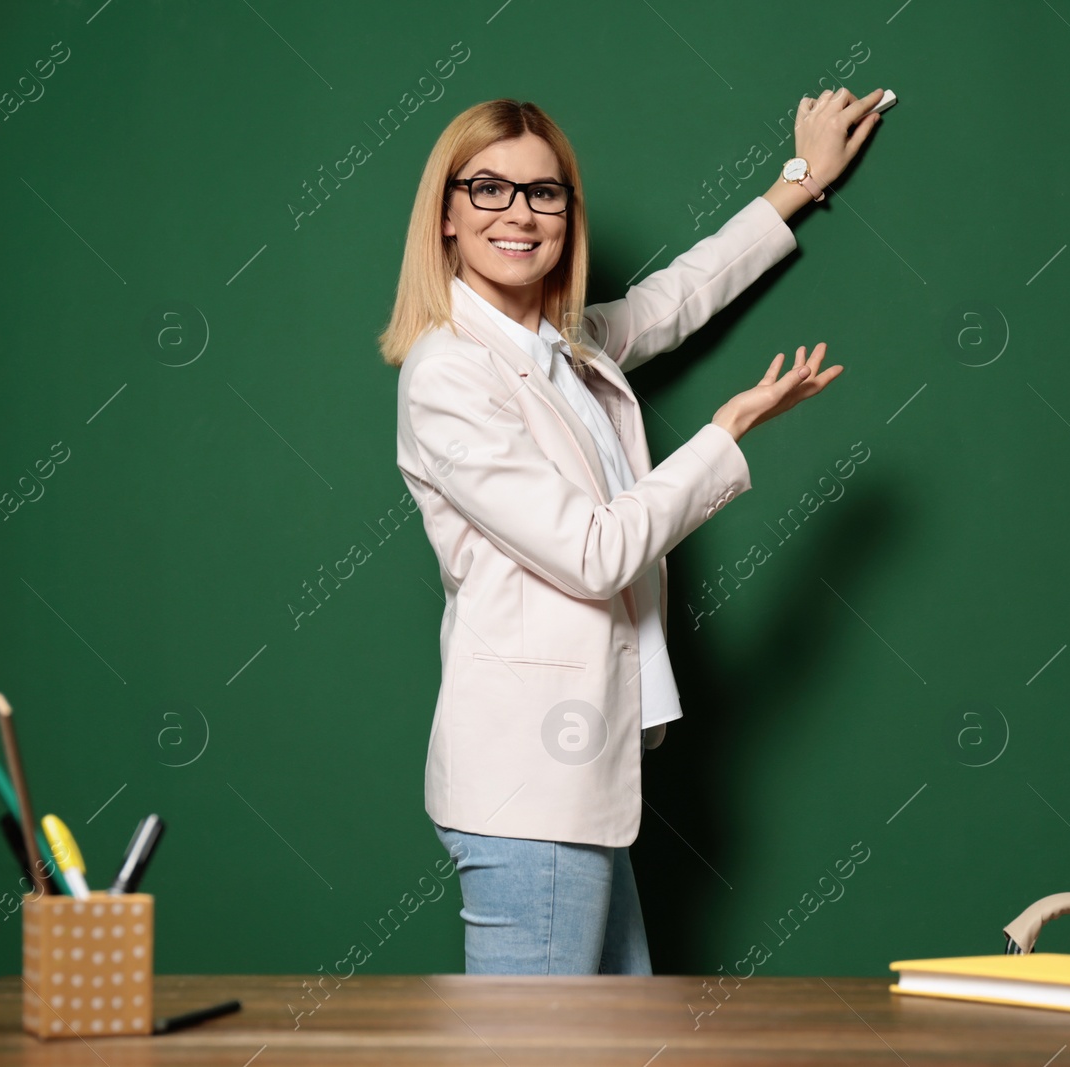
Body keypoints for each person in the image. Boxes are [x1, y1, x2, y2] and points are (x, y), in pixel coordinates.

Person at [377, 87, 885, 975]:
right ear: (447, 214)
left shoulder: (563, 349)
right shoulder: (449, 374)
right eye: (489, 189)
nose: (520, 213)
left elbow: (676, 296)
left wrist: (799, 181)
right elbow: (592, 550)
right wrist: (723, 435)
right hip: (528, 789)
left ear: (569, 215)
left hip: (579, 780)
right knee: (544, 1052)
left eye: (545, 193)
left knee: (616, 1037)